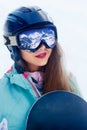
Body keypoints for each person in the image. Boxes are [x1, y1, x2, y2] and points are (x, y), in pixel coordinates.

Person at [0, 6, 81, 130]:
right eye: (31, 39)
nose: (42, 46)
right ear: (14, 45)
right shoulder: (3, 92)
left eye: (48, 36)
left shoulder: (68, 80)